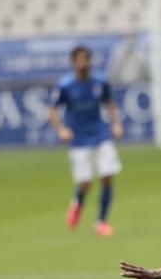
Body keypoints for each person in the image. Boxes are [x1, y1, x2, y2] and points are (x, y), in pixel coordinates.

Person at [48, 45, 124, 236]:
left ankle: (101, 221)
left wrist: (116, 124)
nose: (82, 63)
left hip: (101, 134)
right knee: (85, 183)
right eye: (79, 59)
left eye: (85, 59)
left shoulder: (100, 81)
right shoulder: (65, 85)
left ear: (89, 61)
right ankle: (77, 203)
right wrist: (61, 130)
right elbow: (52, 109)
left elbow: (110, 103)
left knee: (107, 175)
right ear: (74, 62)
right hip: (79, 138)